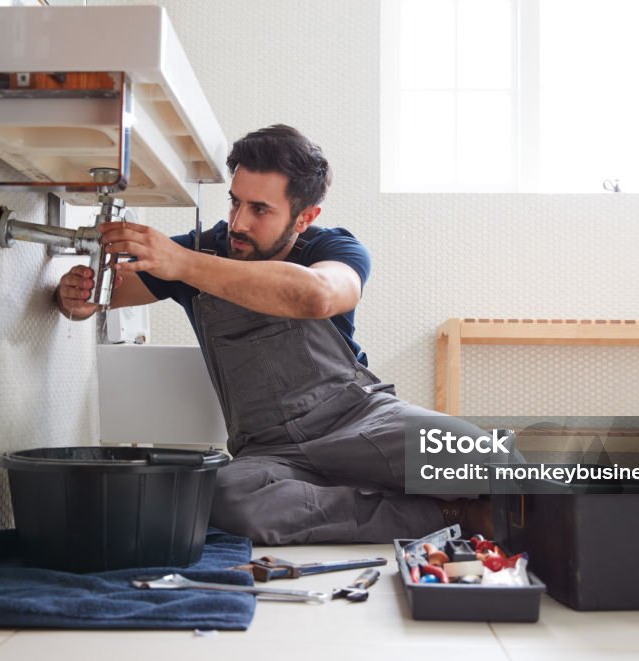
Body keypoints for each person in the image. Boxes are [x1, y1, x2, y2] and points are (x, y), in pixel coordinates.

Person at [55, 124, 505, 545]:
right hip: (269, 450)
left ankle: (356, 491)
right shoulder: (204, 248)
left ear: (305, 216)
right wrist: (75, 297)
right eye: (235, 202)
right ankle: (448, 517)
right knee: (225, 495)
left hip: (360, 420)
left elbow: (319, 296)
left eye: (260, 210)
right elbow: (104, 294)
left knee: (496, 463)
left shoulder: (334, 248)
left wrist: (184, 264)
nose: (238, 223)